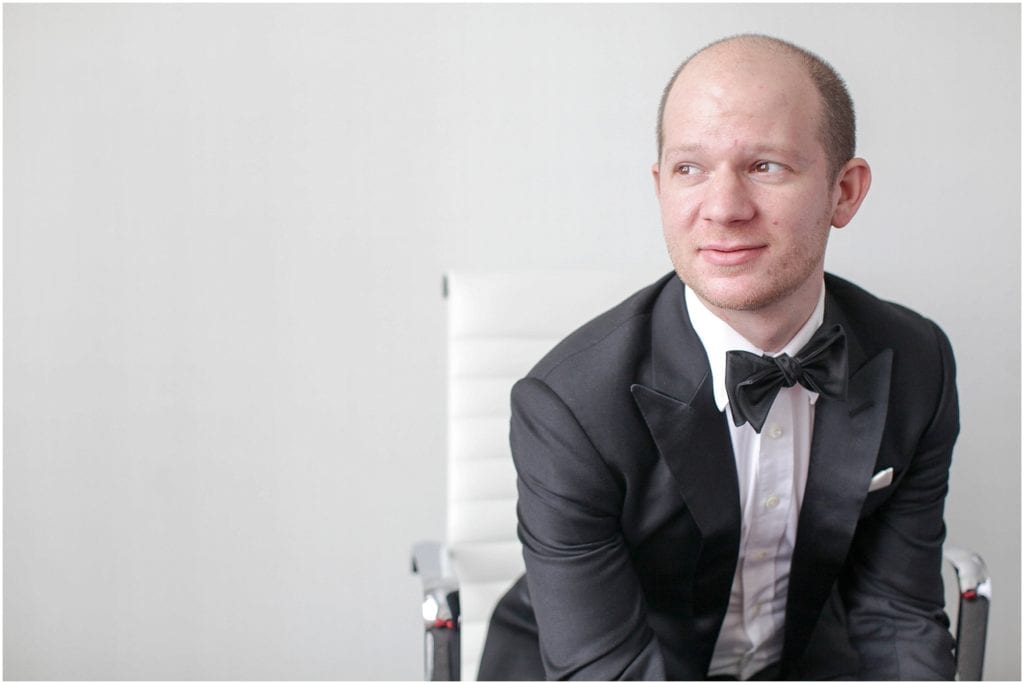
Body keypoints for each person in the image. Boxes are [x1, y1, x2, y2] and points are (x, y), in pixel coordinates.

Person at [476, 34, 959, 680]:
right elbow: (605, 669)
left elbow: (895, 614)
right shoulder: (569, 406)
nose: (724, 209)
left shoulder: (916, 362)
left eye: (765, 166)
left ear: (844, 191)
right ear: (660, 188)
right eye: (690, 169)